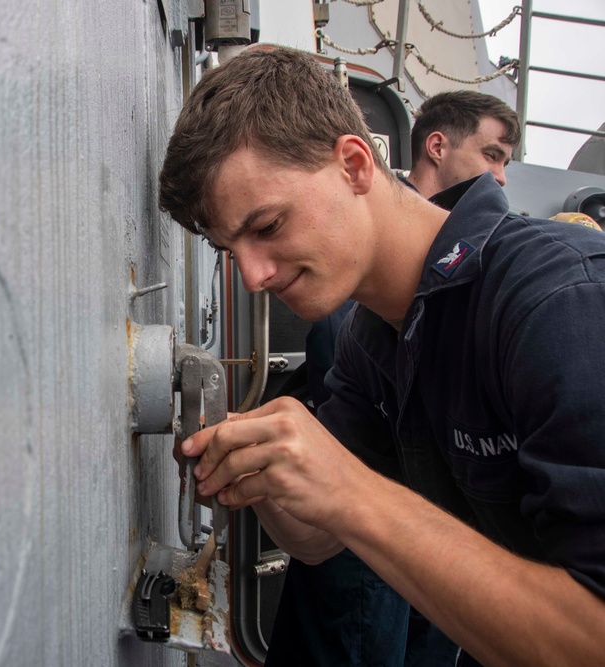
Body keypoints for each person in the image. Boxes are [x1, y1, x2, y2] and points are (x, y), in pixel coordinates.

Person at [158, 47, 605, 667]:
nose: (254, 276)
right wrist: (260, 477)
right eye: (230, 250)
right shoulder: (375, 340)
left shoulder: (556, 299)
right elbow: (317, 542)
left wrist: (351, 491)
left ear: (354, 163)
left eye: (267, 226)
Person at [266, 86, 522, 667]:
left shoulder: (535, 288)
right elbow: (349, 467)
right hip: (370, 567)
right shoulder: (356, 285)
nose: (500, 178)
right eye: (493, 155)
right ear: (436, 144)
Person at [405, 90, 519, 198]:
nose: (502, 179)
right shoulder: (388, 213)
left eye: (504, 165)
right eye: (491, 156)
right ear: (437, 147)